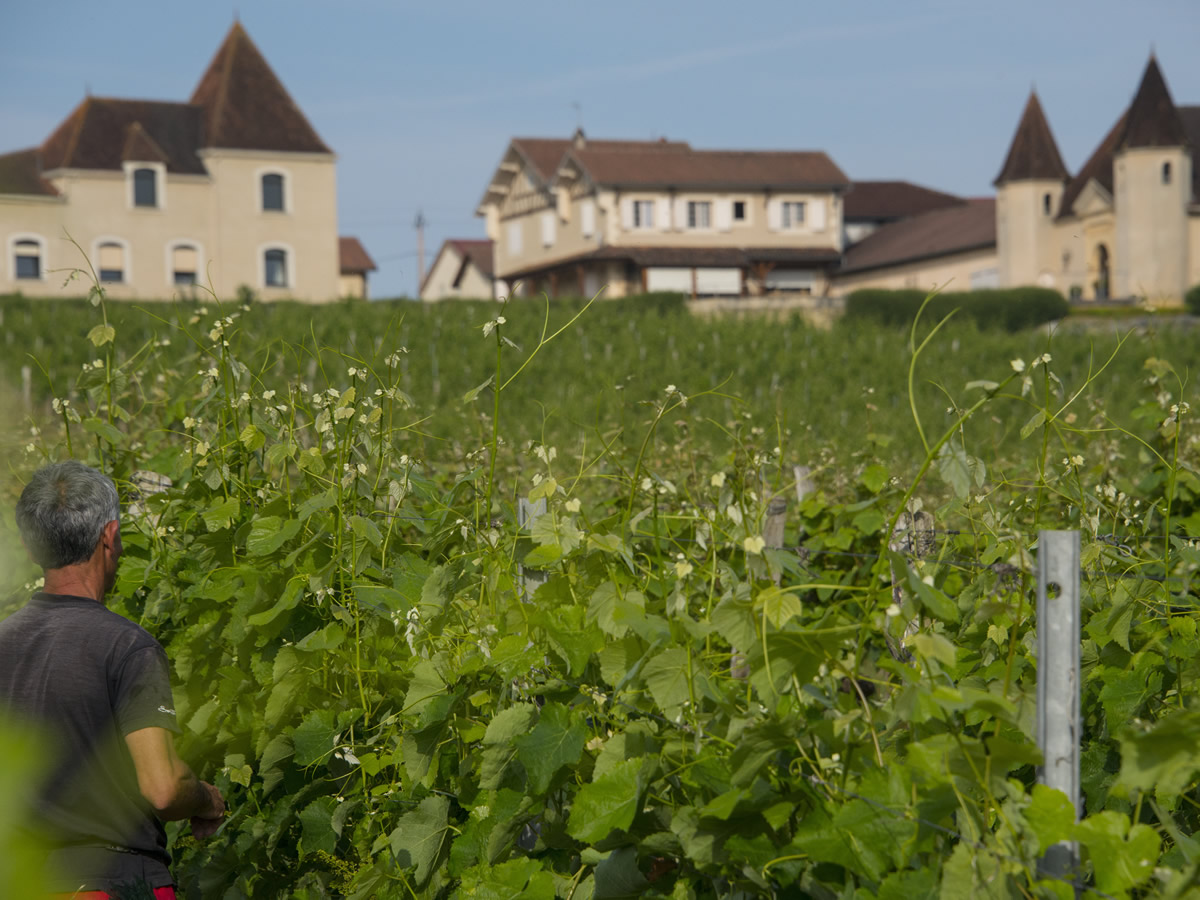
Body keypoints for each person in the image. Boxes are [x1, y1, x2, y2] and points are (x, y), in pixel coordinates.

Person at [0, 460, 224, 898]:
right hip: (111, 881)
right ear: (111, 536)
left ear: (28, 547)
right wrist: (204, 798)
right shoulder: (127, 647)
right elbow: (161, 788)